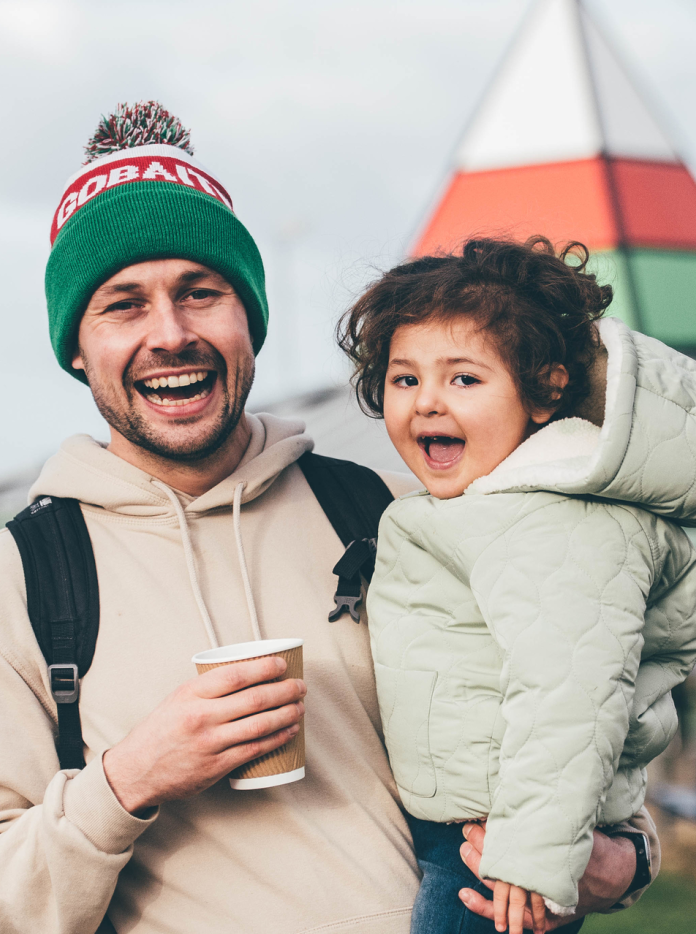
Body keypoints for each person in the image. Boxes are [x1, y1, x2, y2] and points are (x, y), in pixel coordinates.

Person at [0, 105, 654, 934]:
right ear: (75, 348)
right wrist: (129, 780)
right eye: (123, 305)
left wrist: (620, 863)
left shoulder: (389, 509)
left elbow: (578, 699)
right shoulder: (25, 578)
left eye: (202, 293)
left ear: (251, 319)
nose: (171, 334)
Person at [337, 237, 696, 934]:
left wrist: (530, 857)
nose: (427, 404)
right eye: (405, 379)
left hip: (504, 846)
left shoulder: (551, 517)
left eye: (464, 379)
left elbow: (571, 689)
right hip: (485, 827)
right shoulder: (493, 504)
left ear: (545, 389)